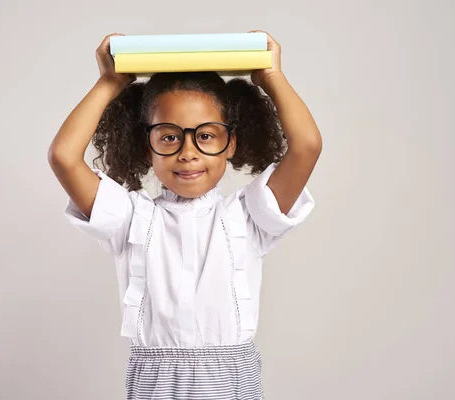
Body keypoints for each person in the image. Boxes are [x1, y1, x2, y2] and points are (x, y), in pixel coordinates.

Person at [48, 30, 322, 399]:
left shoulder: (249, 214)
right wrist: (110, 82)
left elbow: (306, 146)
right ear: (147, 146)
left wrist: (271, 77)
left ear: (231, 142)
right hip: (156, 385)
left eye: (206, 136)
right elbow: (64, 157)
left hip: (232, 383)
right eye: (169, 136)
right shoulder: (129, 217)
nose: (188, 152)